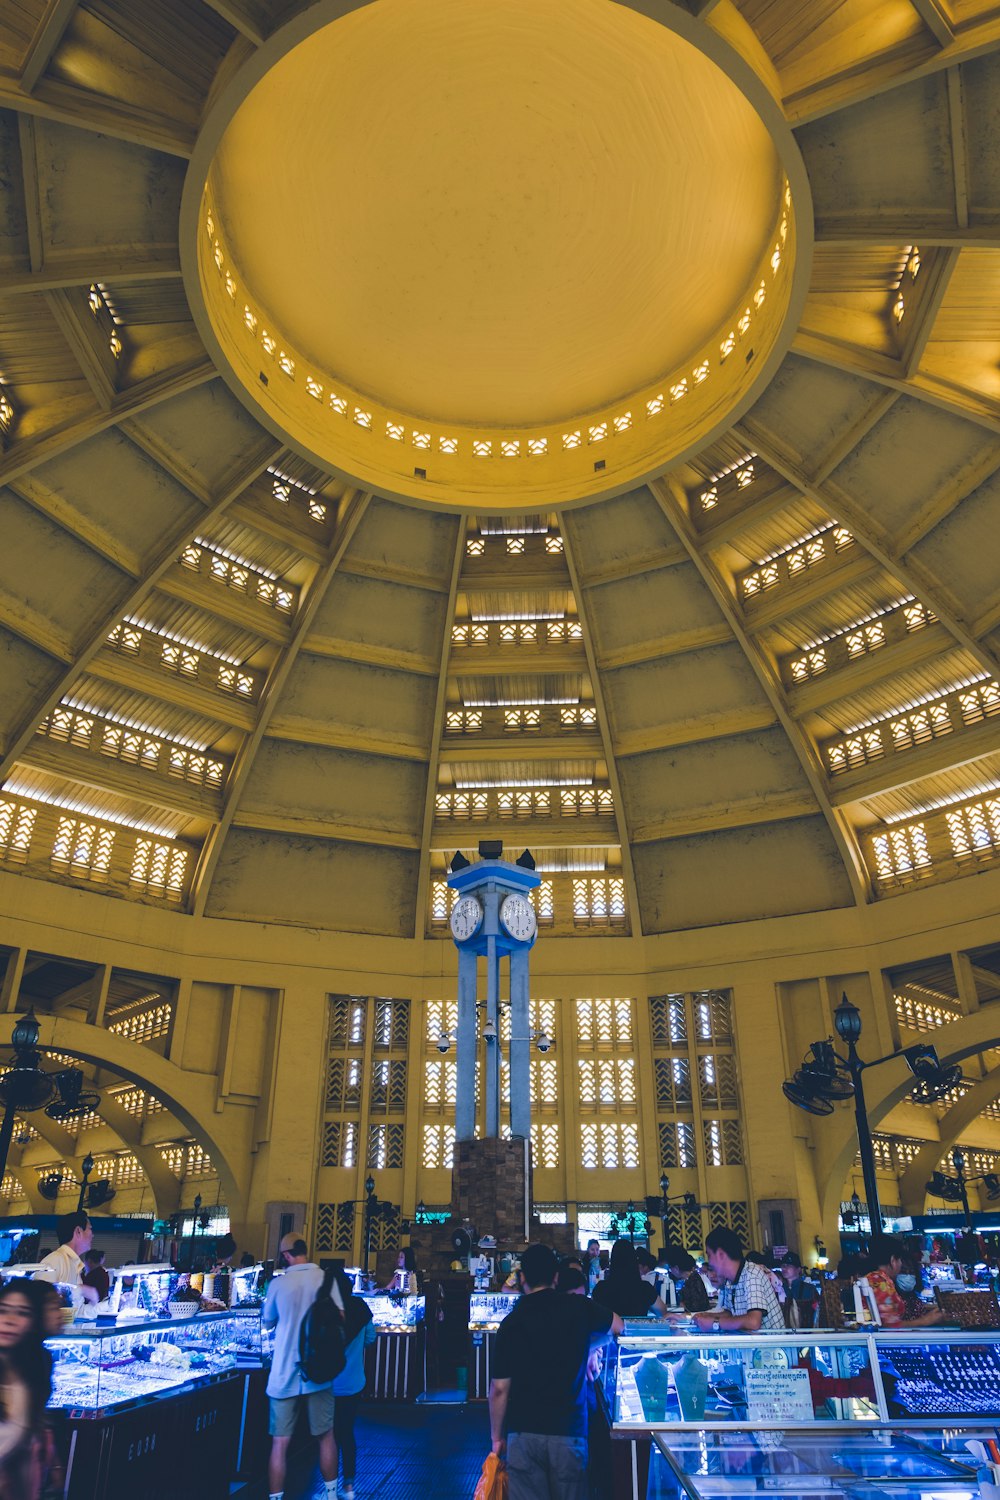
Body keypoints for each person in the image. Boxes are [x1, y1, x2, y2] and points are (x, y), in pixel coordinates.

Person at [490, 1243, 623, 1500]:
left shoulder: (511, 1323)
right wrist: (586, 1346)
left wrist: (497, 1438)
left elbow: (499, 1390)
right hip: (569, 1433)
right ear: (556, 1277)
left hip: (523, 1434)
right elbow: (618, 1326)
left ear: (522, 1278)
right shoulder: (578, 1307)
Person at [261, 1232, 343, 1500]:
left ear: (286, 1255)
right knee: (326, 1436)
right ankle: (331, 1495)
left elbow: (267, 1321)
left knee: (280, 1443)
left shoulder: (278, 1284)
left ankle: (276, 1497)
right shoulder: (325, 1278)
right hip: (318, 1370)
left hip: (284, 1371)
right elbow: (340, 1317)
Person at [0, 1280, 53, 1499]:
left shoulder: (33, 1371)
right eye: (3, 1310)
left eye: (22, 1313)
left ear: (33, 1322)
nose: (10, 1321)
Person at [331, 1268, 376, 1500]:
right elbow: (370, 1338)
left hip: (329, 1385)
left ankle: (329, 1490)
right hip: (354, 1382)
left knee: (328, 1437)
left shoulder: (327, 1311)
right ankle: (348, 1487)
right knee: (347, 1433)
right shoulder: (361, 1308)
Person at [692, 1227, 784, 1332]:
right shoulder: (729, 1281)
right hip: (751, 1344)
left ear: (721, 1255)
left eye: (709, 1255)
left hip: (772, 1346)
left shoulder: (751, 1273)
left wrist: (714, 1323)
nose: (710, 1263)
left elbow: (754, 1322)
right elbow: (729, 1314)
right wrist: (705, 1316)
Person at [865, 1235, 943, 1328]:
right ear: (893, 1260)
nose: (901, 1264)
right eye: (900, 1260)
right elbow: (890, 1326)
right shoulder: (880, 1282)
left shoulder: (874, 1278)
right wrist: (925, 1321)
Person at [34, 1212, 99, 1304]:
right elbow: (40, 1298)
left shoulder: (74, 1263)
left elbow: (77, 1311)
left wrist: (107, 1305)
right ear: (78, 1231)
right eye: (90, 1229)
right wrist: (80, 1290)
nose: (92, 1235)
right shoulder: (54, 1260)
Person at [593, 1240, 667, 1318]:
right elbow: (663, 1312)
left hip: (610, 1330)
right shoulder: (645, 1288)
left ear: (613, 1261)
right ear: (634, 1261)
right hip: (637, 1329)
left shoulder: (601, 1288)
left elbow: (592, 1314)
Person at [667, 1249, 711, 1313]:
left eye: (670, 1268)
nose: (671, 1271)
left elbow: (696, 1306)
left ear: (676, 1268)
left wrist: (682, 1304)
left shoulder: (693, 1280)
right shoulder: (692, 1278)